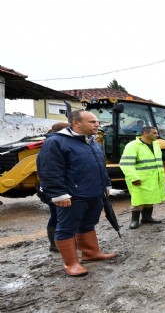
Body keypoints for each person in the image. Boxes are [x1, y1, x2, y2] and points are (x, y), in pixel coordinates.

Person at [36, 111, 117, 277]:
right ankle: (71, 264)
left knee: (88, 224)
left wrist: (106, 183)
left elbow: (100, 165)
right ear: (76, 123)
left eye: (97, 122)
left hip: (94, 193)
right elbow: (49, 171)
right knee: (66, 228)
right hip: (73, 196)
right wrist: (59, 194)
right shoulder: (56, 142)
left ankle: (91, 253)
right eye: (92, 121)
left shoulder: (92, 142)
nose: (97, 125)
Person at [119, 126, 165, 229]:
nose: (157, 135)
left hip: (153, 177)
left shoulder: (156, 145)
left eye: (156, 133)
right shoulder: (133, 145)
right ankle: (134, 220)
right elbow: (126, 164)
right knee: (138, 199)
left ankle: (147, 217)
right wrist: (134, 177)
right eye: (154, 133)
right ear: (145, 133)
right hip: (139, 178)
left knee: (151, 198)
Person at [39, 121, 71, 253]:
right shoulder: (53, 144)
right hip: (54, 189)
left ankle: (58, 243)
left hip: (56, 188)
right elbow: (50, 171)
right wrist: (57, 193)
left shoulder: (55, 142)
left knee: (58, 216)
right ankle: (54, 244)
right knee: (57, 216)